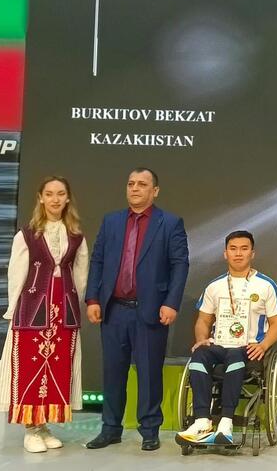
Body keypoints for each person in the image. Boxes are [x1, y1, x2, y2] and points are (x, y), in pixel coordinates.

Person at [84, 168, 189, 451]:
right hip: (113, 310)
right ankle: (110, 429)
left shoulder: (170, 223)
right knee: (113, 373)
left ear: (155, 191)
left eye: (142, 184)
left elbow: (180, 265)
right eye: (131, 183)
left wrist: (171, 302)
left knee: (149, 373)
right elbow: (97, 261)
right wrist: (92, 298)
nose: (135, 188)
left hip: (150, 310)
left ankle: (150, 431)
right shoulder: (111, 221)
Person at [0, 176, 89, 452]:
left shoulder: (76, 236)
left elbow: (81, 274)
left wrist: (75, 304)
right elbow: (16, 273)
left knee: (57, 367)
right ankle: (30, 428)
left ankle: (43, 424)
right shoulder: (27, 234)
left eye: (60, 193)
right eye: (49, 194)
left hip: (63, 311)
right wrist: (14, 308)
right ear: (40, 198)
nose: (55, 199)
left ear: (67, 198)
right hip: (34, 308)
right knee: (31, 367)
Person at [175, 230, 277, 445]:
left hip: (248, 347)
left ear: (252, 253)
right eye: (233, 249)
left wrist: (263, 345)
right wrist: (201, 338)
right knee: (199, 355)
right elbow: (203, 320)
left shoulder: (266, 285)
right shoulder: (214, 286)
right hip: (218, 344)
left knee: (235, 356)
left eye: (244, 249)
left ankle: (226, 423)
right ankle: (202, 421)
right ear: (225, 253)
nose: (238, 253)